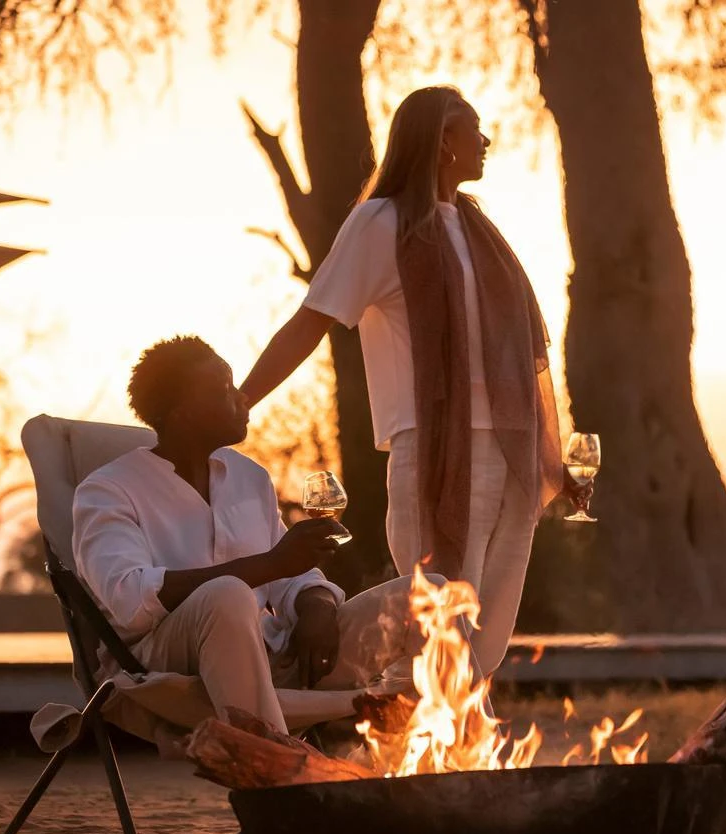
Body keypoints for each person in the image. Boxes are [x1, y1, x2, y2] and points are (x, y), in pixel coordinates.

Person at [241, 86, 582, 673]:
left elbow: (516, 356)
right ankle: (414, 748)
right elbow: (312, 320)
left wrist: (554, 461)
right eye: (474, 129)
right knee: (437, 625)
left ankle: (458, 750)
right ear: (442, 140)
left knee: (488, 634)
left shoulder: (478, 230)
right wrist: (241, 400)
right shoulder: (382, 222)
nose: (486, 141)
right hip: (435, 447)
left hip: (510, 446)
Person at [73, 336, 437, 735]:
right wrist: (267, 565)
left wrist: (316, 604)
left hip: (272, 657)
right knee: (226, 594)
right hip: (166, 666)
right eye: (223, 390)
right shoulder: (108, 490)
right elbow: (128, 598)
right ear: (181, 413)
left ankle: (440, 760)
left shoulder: (249, 478)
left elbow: (290, 575)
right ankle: (279, 756)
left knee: (430, 594)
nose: (242, 398)